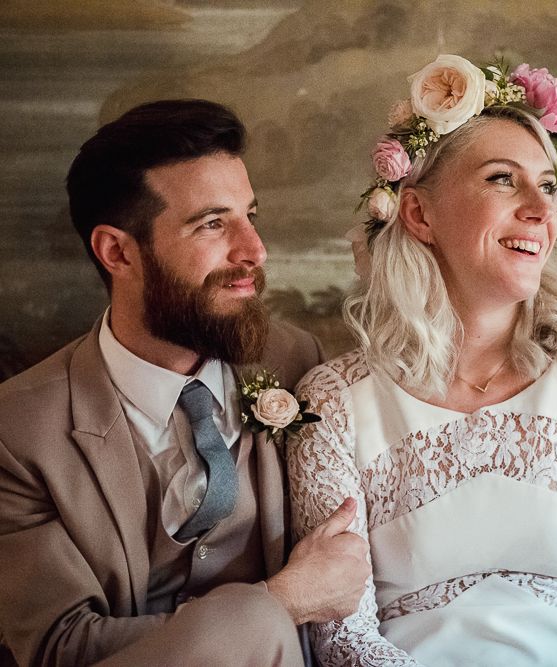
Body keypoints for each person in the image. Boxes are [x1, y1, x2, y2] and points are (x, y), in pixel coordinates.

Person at [287, 55, 557, 666]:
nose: (541, 209)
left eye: (549, 185)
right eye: (503, 179)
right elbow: (341, 632)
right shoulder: (332, 402)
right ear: (420, 214)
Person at [0, 99, 370, 667]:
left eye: (252, 215)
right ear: (117, 251)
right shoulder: (19, 431)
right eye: (213, 224)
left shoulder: (297, 358)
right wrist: (282, 602)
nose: (254, 250)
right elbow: (60, 648)